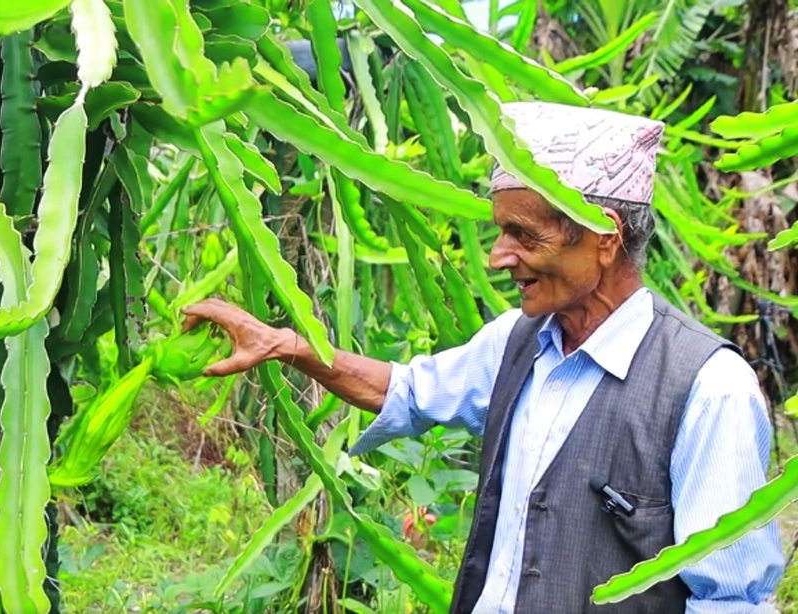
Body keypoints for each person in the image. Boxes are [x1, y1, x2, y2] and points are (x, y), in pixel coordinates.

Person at [181, 101, 784, 613]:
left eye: (524, 235)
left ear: (604, 237)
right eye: (500, 232)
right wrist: (287, 344)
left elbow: (730, 599)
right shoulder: (518, 342)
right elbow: (406, 392)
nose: (498, 256)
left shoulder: (708, 389)